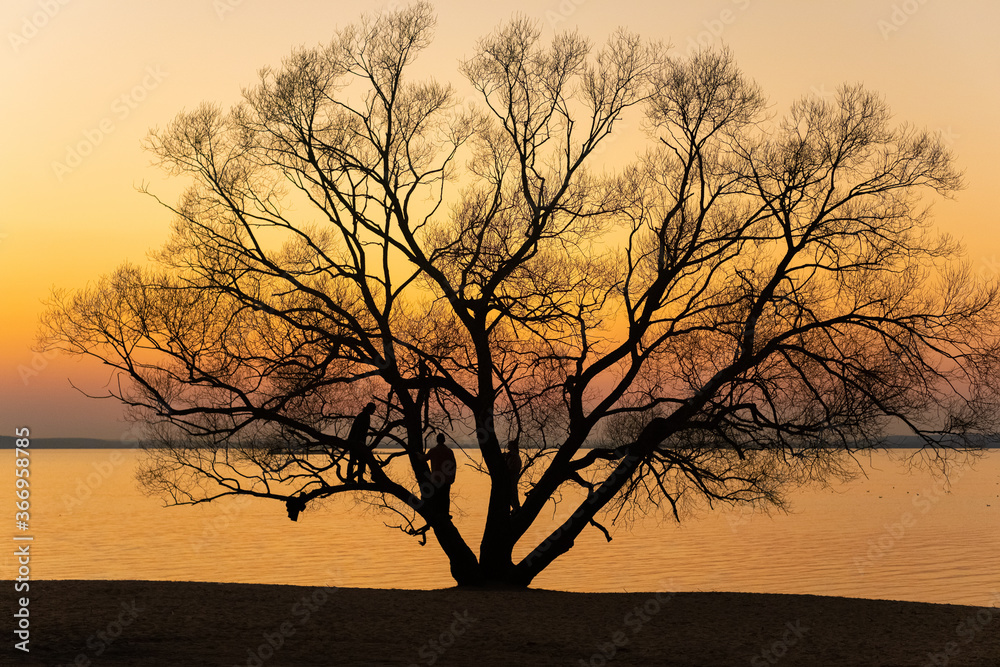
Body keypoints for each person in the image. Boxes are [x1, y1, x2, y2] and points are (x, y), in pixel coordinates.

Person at [425, 433, 457, 518]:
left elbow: (423, 458)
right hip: (447, 479)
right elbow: (454, 465)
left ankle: (438, 513)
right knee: (445, 497)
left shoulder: (433, 451)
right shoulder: (449, 451)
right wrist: (453, 477)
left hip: (436, 479)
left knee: (437, 497)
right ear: (444, 440)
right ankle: (445, 514)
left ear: (437, 440)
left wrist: (416, 454)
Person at [346, 402, 377, 484]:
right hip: (356, 442)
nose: (374, 412)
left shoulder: (362, 415)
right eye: (374, 410)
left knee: (354, 460)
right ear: (371, 409)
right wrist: (360, 442)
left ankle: (351, 478)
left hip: (354, 441)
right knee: (360, 460)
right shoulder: (365, 416)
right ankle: (356, 479)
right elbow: (360, 430)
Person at [505, 439, 523, 511]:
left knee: (513, 493)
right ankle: (515, 508)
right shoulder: (510, 455)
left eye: (509, 445)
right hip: (510, 478)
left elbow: (513, 468)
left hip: (512, 478)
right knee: (510, 494)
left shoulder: (515, 456)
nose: (508, 446)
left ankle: (516, 508)